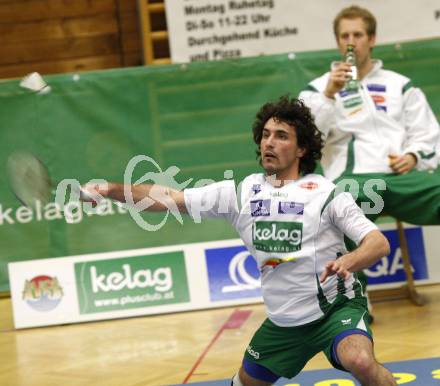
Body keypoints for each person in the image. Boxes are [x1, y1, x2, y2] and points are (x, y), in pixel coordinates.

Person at [82, 96, 396, 385]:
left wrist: (348, 261)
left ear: (302, 149)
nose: (269, 142)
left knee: (361, 360)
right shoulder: (241, 193)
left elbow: (377, 243)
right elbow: (168, 198)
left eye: (282, 136)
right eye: (266, 134)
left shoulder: (327, 193)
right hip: (284, 322)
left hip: (334, 310)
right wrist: (109, 189)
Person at [298, 5, 440, 225]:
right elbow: (305, 141)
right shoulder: (316, 89)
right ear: (338, 42)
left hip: (402, 180)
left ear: (372, 39)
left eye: (358, 35)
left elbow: (427, 132)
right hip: (353, 181)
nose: (351, 42)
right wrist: (329, 95)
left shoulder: (400, 84)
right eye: (345, 36)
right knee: (336, 217)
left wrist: (413, 156)